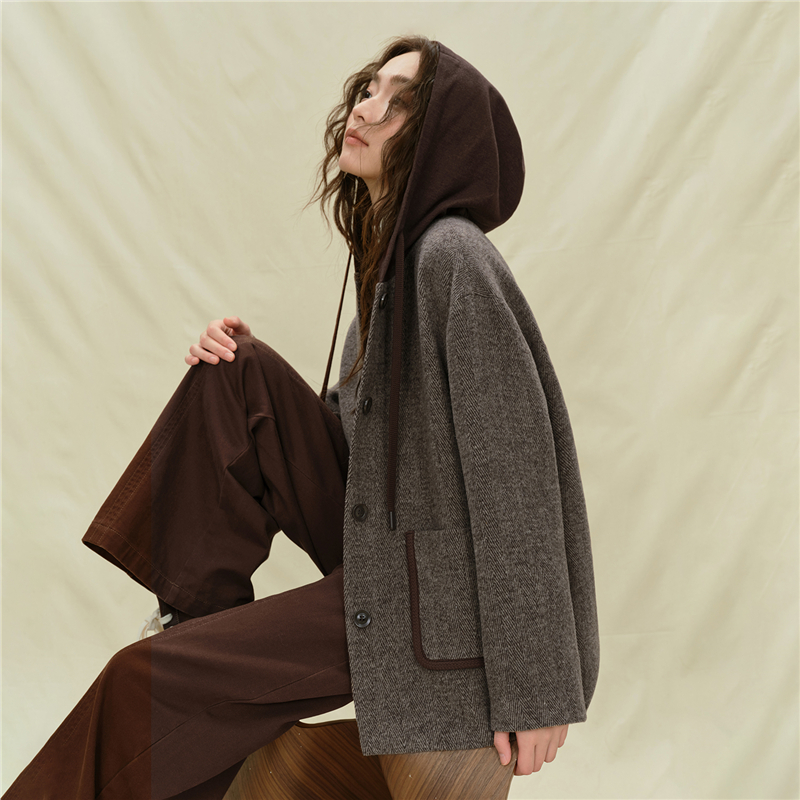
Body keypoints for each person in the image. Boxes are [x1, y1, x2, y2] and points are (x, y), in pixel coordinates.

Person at [3, 35, 599, 800]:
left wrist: (538, 689)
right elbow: (358, 456)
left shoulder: (453, 258)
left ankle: (184, 646)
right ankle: (195, 618)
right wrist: (238, 364)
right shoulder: (389, 276)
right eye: (369, 89)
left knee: (137, 681)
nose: (367, 110)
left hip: (431, 610)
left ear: (437, 140)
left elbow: (515, 477)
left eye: (399, 104)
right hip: (385, 558)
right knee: (237, 369)